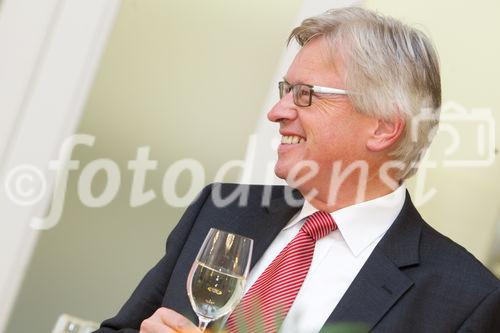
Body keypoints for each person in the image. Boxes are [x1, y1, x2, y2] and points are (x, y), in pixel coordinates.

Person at [95, 7, 499, 333]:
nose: (277, 112)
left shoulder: (466, 300)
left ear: (383, 127)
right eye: (284, 91)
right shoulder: (221, 211)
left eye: (305, 95)